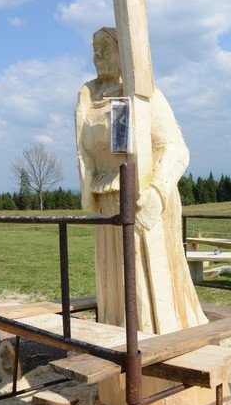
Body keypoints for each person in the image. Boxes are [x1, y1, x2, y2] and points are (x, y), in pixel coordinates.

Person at [75, 27, 207, 334]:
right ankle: (117, 334)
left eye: (106, 48)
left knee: (146, 284)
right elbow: (88, 152)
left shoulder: (145, 94)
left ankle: (156, 337)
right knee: (115, 278)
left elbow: (175, 147)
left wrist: (157, 192)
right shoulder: (88, 98)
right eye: (95, 49)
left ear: (123, 52)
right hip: (107, 202)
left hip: (143, 201)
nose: (98, 56)